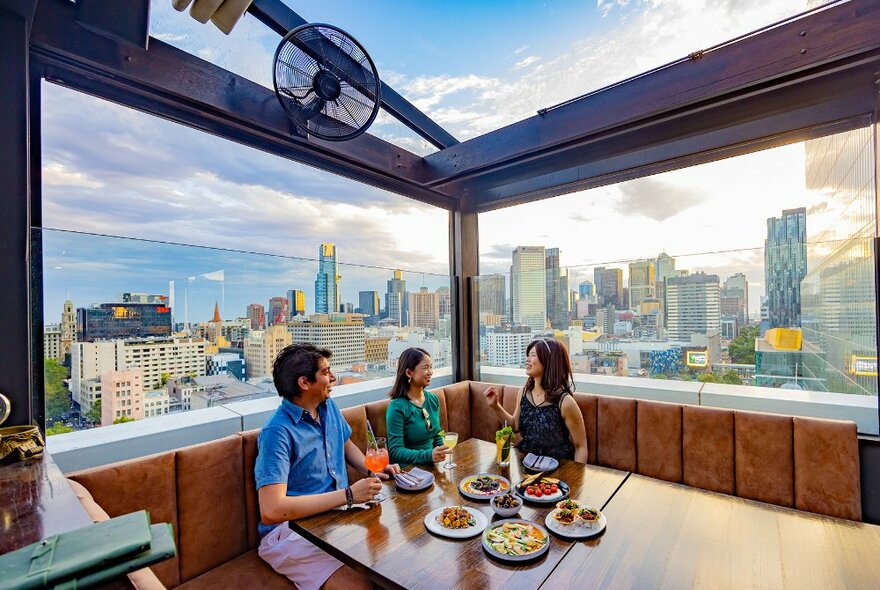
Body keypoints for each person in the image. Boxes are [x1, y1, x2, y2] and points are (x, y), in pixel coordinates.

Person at [255, 343, 400, 590]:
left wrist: (372, 471)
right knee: (358, 586)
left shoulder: (328, 406)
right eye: (325, 372)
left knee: (394, 561)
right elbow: (272, 510)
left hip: (334, 518)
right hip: (290, 533)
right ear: (304, 383)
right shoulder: (277, 432)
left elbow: (345, 445)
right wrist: (349, 495)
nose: (333, 378)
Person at [484, 338, 588, 464]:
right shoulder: (523, 392)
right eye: (528, 355)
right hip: (526, 463)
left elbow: (580, 447)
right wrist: (495, 406)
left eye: (533, 355)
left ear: (549, 361)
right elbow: (514, 426)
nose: (527, 359)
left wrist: (575, 479)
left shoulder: (565, 402)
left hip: (556, 468)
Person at [385, 347, 449, 465]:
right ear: (409, 373)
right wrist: (428, 455)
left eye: (431, 367)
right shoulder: (397, 407)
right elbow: (395, 451)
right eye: (425, 368)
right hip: (409, 471)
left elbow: (437, 433)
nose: (430, 371)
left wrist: (441, 451)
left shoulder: (433, 399)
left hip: (432, 464)